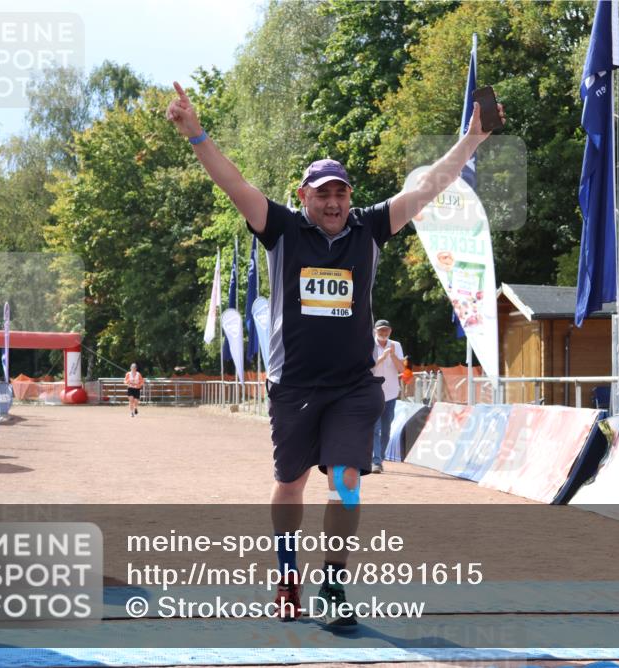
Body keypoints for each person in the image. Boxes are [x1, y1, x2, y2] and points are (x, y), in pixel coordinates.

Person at [166, 79, 503, 630]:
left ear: (350, 196)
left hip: (352, 385)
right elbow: (234, 185)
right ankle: (286, 575)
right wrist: (197, 133)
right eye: (322, 193)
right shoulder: (280, 229)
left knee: (346, 479)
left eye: (340, 192)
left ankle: (334, 583)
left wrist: (472, 139)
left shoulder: (369, 227)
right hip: (294, 385)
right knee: (291, 482)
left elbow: (428, 189)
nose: (333, 202)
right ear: (304, 197)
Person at [370, 320, 405, 474]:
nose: (383, 333)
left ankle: (380, 458)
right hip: (373, 392)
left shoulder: (395, 345)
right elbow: (367, 367)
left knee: (386, 429)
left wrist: (393, 355)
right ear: (375, 331)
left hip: (391, 393)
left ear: (390, 331)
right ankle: (376, 461)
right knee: (374, 428)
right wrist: (382, 358)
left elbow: (401, 369)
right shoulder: (369, 344)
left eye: (386, 330)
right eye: (380, 330)